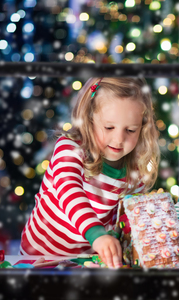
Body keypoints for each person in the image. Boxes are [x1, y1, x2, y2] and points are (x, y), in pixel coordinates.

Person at [20, 77, 160, 268]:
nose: (119, 139)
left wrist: (113, 237)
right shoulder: (69, 149)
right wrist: (97, 235)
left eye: (130, 130)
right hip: (41, 254)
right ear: (89, 118)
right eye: (109, 127)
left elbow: (124, 219)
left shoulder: (135, 172)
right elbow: (70, 192)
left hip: (86, 261)